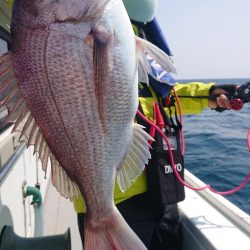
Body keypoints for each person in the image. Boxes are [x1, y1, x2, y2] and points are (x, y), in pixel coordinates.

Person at [74, 0, 237, 249]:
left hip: (162, 190)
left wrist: (211, 94)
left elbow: (165, 97)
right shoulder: (82, 30)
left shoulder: (135, 40)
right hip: (113, 197)